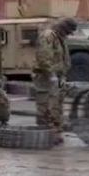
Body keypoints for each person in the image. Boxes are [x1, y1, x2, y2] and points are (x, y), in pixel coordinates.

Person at [33, 17, 76, 145]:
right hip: (45, 77)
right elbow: (43, 57)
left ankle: (55, 132)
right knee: (45, 105)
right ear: (63, 28)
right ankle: (44, 133)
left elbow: (62, 59)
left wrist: (62, 76)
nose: (68, 35)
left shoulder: (60, 38)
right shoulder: (48, 36)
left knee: (57, 106)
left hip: (57, 76)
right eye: (68, 32)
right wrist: (51, 74)